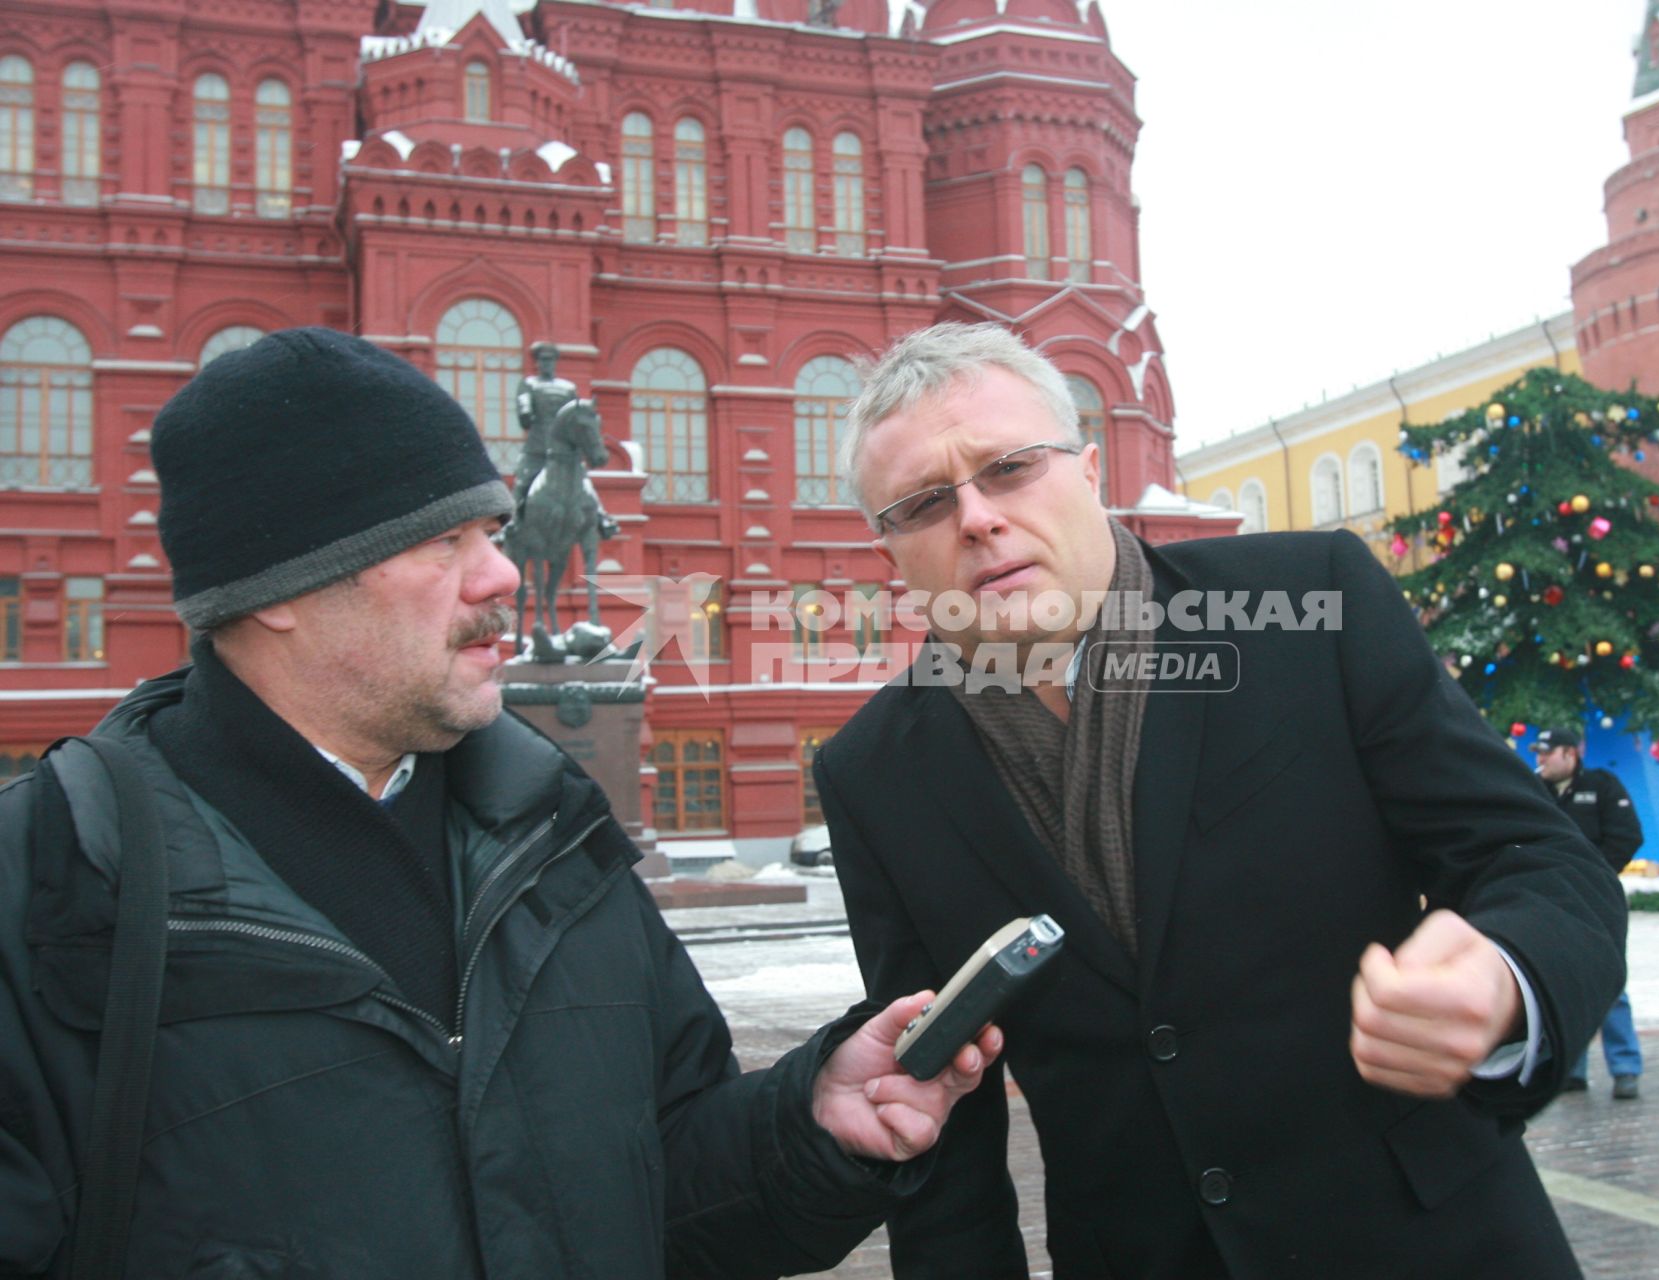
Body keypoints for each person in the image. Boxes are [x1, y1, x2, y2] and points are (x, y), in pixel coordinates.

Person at [0, 328, 998, 1279]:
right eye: (442, 542)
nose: (506, 574)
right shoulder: (56, 875)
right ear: (277, 590)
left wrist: (812, 1123)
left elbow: (667, 1184)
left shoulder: (557, 838)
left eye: (490, 528)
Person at [814, 322, 1627, 1279]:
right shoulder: (873, 772)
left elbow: (1535, 860)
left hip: (1428, 1239)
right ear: (887, 555)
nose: (978, 518)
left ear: (1087, 469)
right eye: (922, 502)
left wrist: (1502, 976)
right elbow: (934, 1088)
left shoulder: (1308, 605)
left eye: (1008, 468)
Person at [1532, 726, 1645, 1101]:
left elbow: (1627, 836)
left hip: (1595, 900)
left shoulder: (1602, 785)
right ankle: (1571, 1069)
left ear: (1570, 754)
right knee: (1562, 982)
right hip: (1551, 901)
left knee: (1610, 983)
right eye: (1539, 753)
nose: (1541, 760)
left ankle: (1625, 1068)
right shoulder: (1533, 791)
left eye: (1548, 753)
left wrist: (1592, 876)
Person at [514, 340, 617, 539]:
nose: (547, 364)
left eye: (551, 360)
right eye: (543, 360)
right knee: (523, 483)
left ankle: (602, 518)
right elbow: (524, 412)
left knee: (584, 483)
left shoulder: (568, 388)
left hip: (563, 453)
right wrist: (525, 411)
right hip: (537, 448)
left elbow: (578, 418)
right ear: (537, 363)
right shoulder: (529, 384)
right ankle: (511, 524)